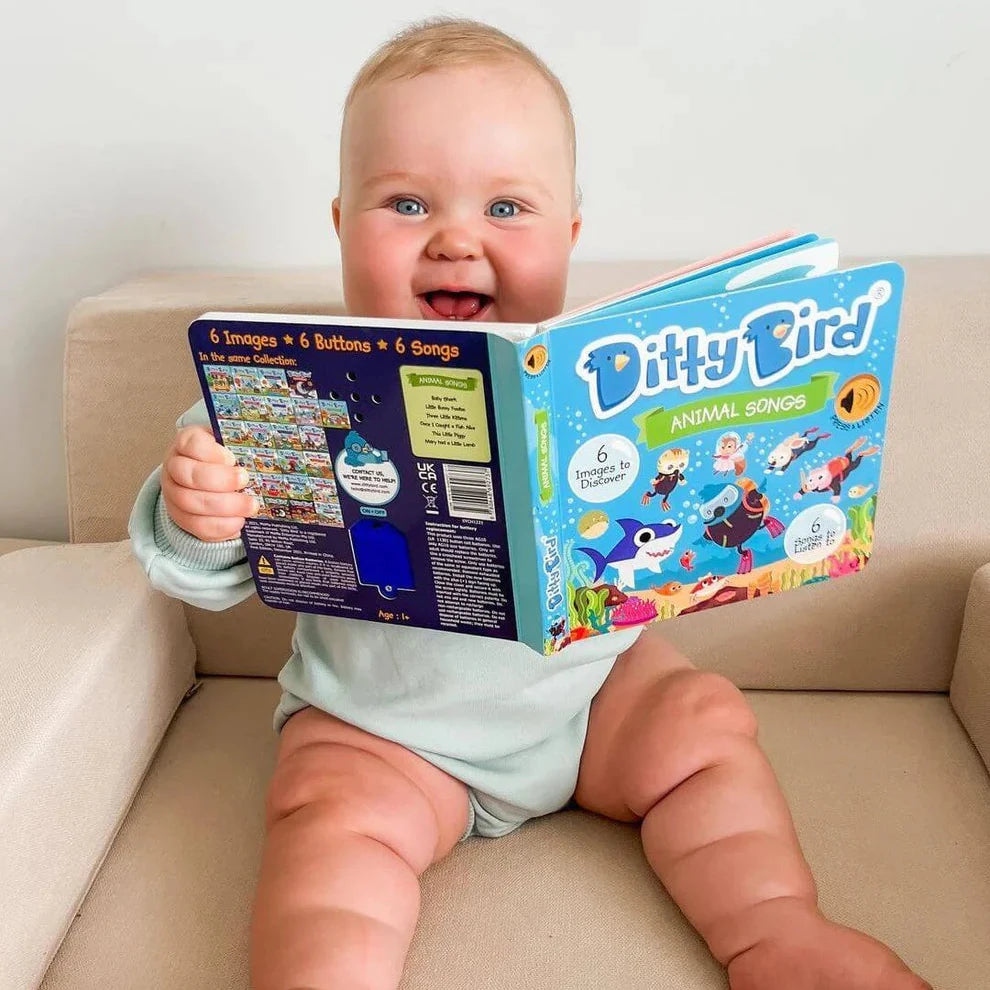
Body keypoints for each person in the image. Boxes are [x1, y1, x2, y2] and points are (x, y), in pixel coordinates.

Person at [129, 17, 931, 990]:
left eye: (507, 207)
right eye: (409, 203)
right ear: (344, 227)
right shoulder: (290, 384)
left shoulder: (593, 383)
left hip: (587, 703)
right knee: (330, 823)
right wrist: (200, 513)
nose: (458, 239)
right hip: (387, 732)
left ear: (569, 236)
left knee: (705, 722)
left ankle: (781, 932)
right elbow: (198, 572)